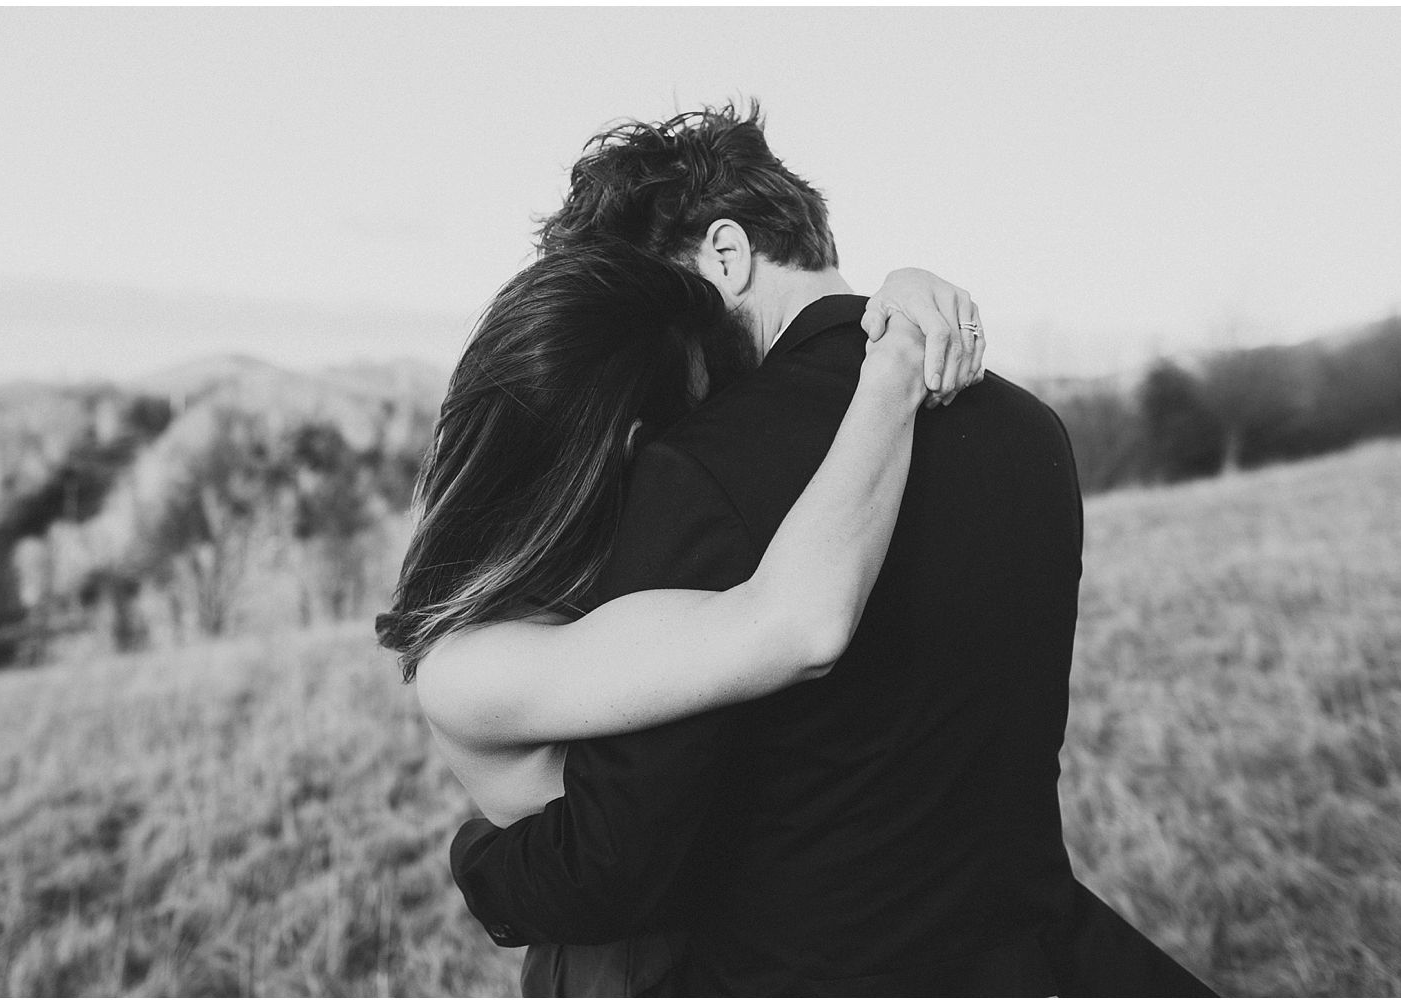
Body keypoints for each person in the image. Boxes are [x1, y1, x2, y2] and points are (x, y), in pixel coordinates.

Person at [449, 102, 1218, 996]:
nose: (650, 350)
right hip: (1021, 962)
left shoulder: (694, 470)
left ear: (727, 256)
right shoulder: (1028, 427)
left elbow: (619, 866)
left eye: (651, 300)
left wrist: (477, 856)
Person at [378, 239, 981, 993]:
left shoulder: (585, 573)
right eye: (705, 421)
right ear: (637, 449)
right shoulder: (470, 666)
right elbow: (800, 626)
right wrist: (892, 367)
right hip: (625, 970)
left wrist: (894, 294)